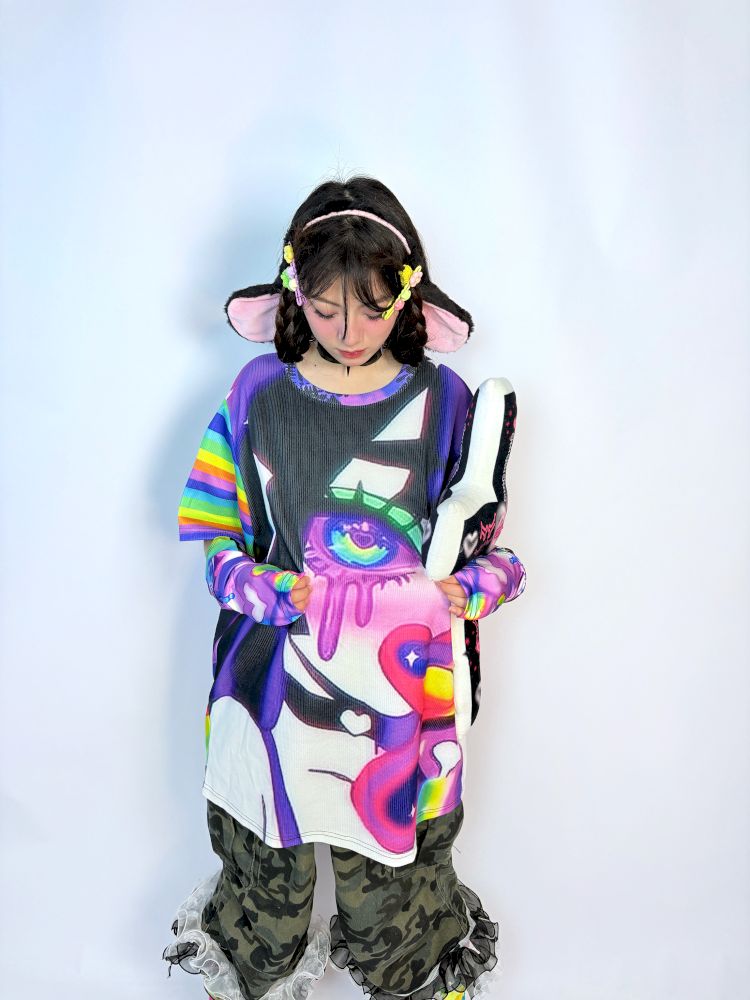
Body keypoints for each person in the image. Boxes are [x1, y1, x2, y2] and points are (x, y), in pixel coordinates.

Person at [162, 176, 527, 1000]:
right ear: (294, 292)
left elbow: (495, 555)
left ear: (409, 293)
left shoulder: (446, 402)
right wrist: (270, 590)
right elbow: (215, 542)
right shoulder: (258, 394)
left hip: (406, 707)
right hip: (269, 696)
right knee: (266, 900)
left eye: (371, 307)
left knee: (395, 911)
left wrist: (466, 592)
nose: (350, 332)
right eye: (326, 309)